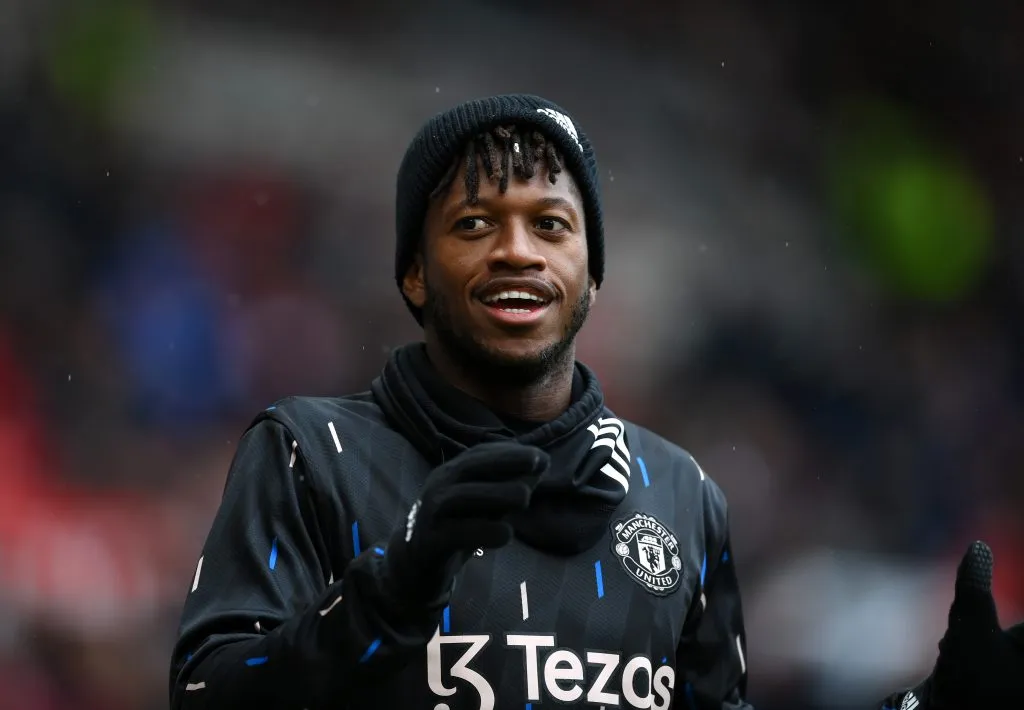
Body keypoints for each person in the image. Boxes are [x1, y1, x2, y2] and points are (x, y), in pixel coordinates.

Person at [169, 94, 1023, 710]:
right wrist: (388, 593)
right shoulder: (310, 454)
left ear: (592, 271)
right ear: (412, 274)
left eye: (551, 224)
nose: (516, 251)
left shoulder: (683, 498)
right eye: (473, 224)